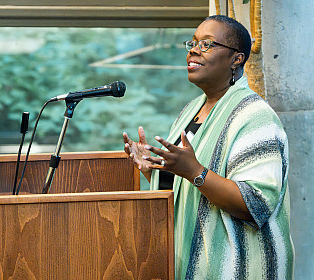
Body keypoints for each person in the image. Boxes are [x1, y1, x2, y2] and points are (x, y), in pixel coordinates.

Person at [123, 15, 294, 279]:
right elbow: (187, 184)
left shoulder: (255, 116)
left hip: (238, 269)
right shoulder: (190, 111)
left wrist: (193, 171)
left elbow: (256, 203)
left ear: (236, 59)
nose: (193, 49)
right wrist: (155, 169)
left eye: (206, 44)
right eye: (192, 43)